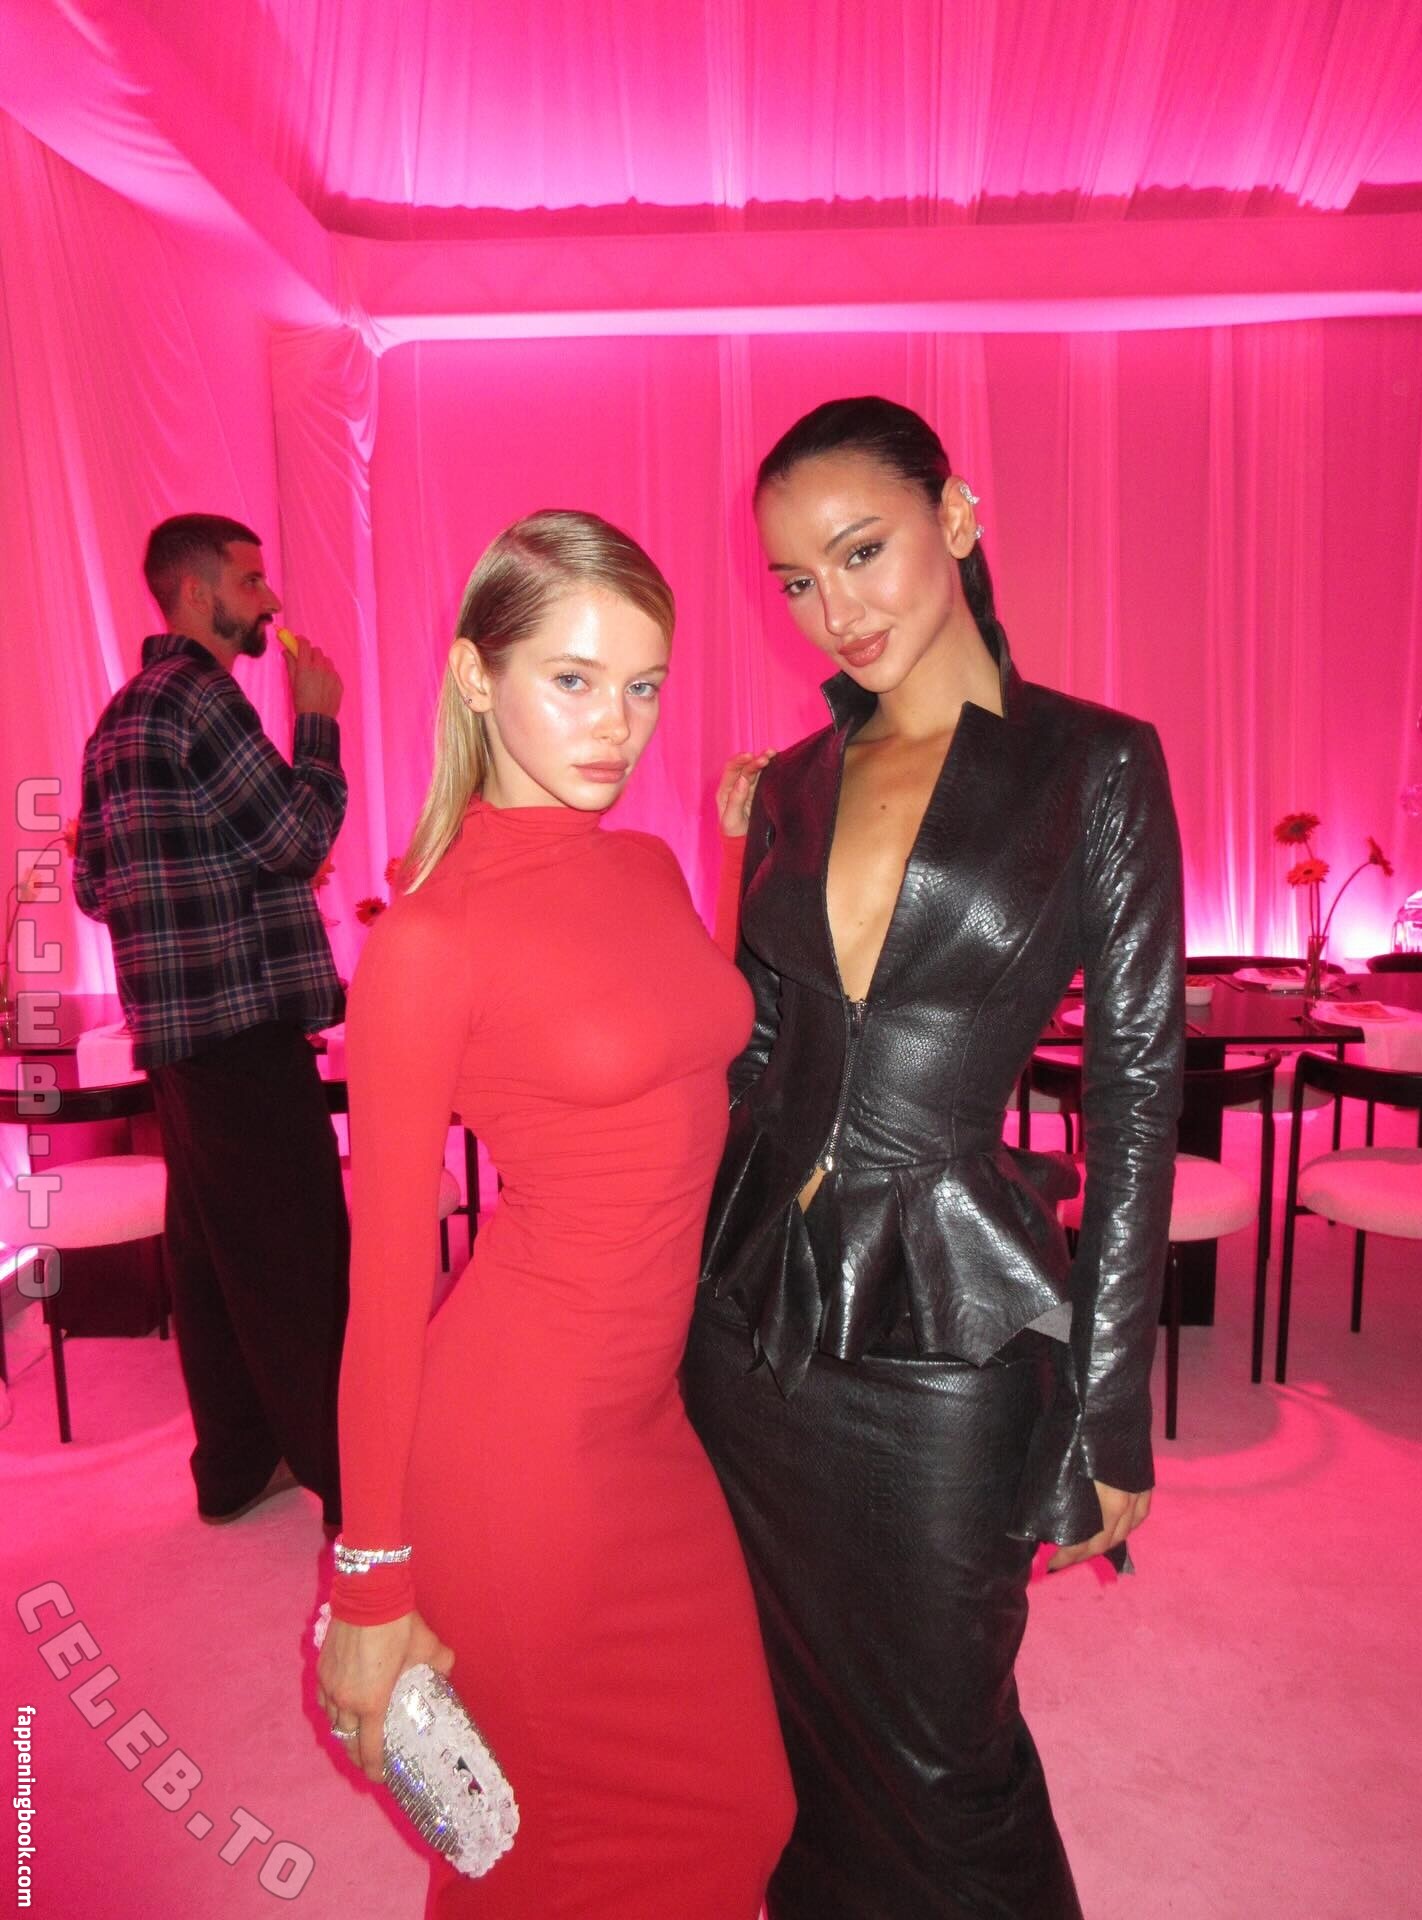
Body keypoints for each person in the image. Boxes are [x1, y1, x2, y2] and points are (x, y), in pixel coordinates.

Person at [683, 397, 1185, 1919]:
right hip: (749, 1315)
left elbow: (1137, 1092)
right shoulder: (787, 784)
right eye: (796, 580)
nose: (834, 610)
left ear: (956, 519)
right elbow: (754, 1059)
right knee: (787, 1712)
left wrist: (1108, 1411)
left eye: (862, 552)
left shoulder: (1095, 764)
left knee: (947, 1750)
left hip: (951, 1330)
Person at [315, 510, 794, 1919]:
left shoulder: (643, 867)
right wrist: (369, 1586)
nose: (616, 725)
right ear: (479, 676)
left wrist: (734, 857)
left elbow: (679, 1026)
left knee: (740, 1807)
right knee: (557, 1859)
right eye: (572, 680)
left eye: (642, 685)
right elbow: (383, 1293)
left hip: (648, 1423)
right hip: (517, 1450)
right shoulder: (426, 943)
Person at [73, 513, 348, 1528]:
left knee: (213, 1262)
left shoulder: (118, 717)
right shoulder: (205, 696)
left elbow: (95, 888)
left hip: (178, 1046)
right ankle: (355, 1491)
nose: (269, 601)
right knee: (298, 1261)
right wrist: (317, 723)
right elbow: (298, 834)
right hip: (242, 1031)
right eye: (250, 580)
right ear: (196, 594)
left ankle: (236, 1469)